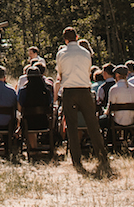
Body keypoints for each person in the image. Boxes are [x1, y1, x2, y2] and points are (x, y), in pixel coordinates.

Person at [56, 26, 112, 177]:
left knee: (72, 126)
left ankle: (76, 159)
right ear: (77, 37)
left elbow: (60, 74)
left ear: (65, 39)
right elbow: (88, 71)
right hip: (84, 90)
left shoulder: (61, 53)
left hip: (69, 91)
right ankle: (102, 155)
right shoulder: (86, 52)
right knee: (92, 124)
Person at [17, 64, 52, 152]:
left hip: (29, 123)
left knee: (28, 120)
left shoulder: (23, 90)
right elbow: (50, 104)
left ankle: (33, 147)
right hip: (44, 122)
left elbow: (20, 107)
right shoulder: (46, 91)